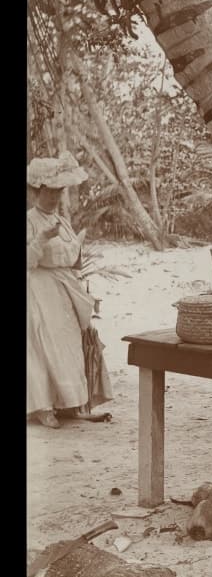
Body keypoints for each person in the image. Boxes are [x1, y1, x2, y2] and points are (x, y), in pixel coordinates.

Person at [27, 152, 112, 429]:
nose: (54, 198)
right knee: (44, 346)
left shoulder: (62, 221)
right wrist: (41, 239)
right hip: (39, 288)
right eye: (49, 192)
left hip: (65, 289)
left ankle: (73, 404)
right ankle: (43, 406)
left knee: (71, 345)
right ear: (37, 191)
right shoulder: (30, 221)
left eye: (58, 192)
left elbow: (74, 256)